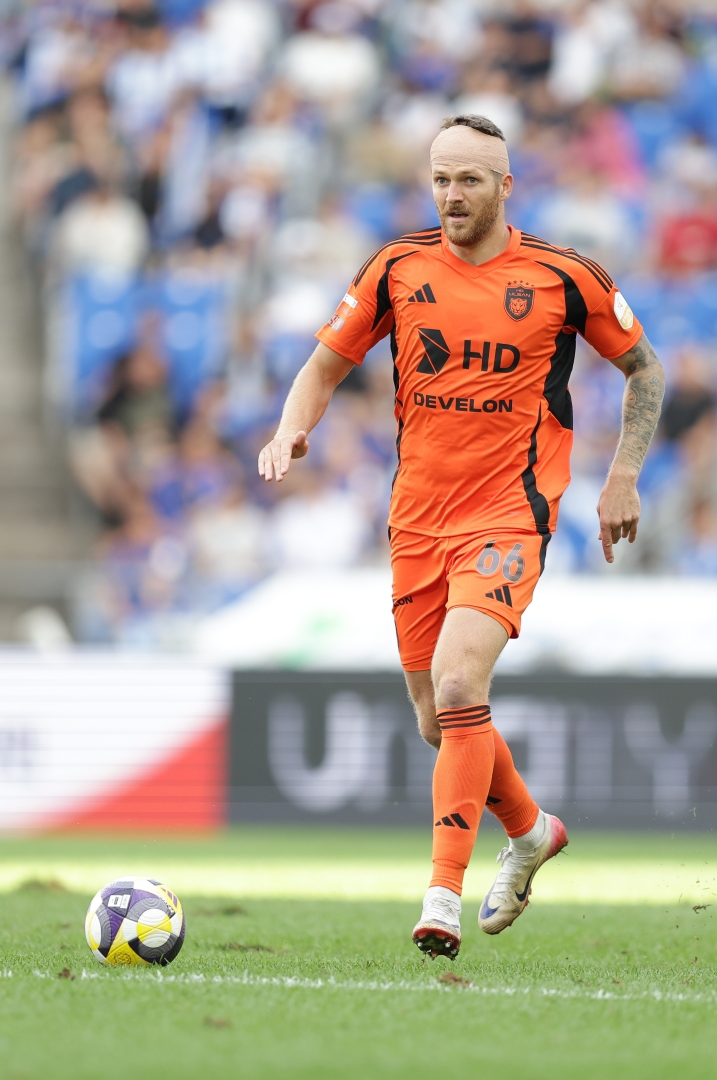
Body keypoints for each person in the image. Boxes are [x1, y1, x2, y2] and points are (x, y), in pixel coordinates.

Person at [257, 114, 665, 958]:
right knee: (438, 719)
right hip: (417, 518)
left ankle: (441, 896)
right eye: (441, 178)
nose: (451, 194)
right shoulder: (395, 268)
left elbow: (644, 368)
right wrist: (291, 427)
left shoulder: (563, 276)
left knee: (456, 680)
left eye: (469, 179)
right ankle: (531, 830)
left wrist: (622, 474)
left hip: (511, 510)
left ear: (505, 187)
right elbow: (324, 365)